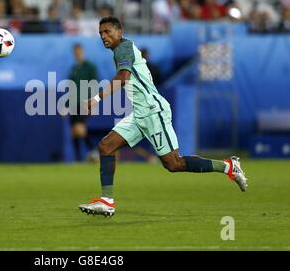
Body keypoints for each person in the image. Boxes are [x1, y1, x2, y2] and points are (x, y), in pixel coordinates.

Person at [78, 17, 248, 217]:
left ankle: (228, 166)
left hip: (152, 111)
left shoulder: (123, 48)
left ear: (119, 32)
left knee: (173, 164)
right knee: (106, 146)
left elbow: (123, 78)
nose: (103, 37)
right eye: (100, 34)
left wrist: (96, 98)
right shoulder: (121, 50)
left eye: (107, 32)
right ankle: (107, 201)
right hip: (140, 114)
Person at [67, 43, 99, 162]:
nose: (77, 54)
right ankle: (78, 158)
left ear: (83, 51)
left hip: (84, 102)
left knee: (80, 128)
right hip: (73, 104)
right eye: (75, 52)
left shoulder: (90, 66)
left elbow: (94, 84)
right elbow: (70, 88)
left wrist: (93, 102)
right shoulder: (73, 68)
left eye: (79, 51)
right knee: (73, 132)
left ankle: (93, 151)